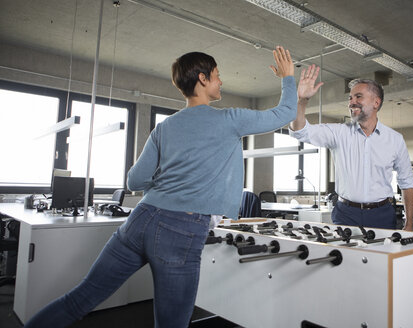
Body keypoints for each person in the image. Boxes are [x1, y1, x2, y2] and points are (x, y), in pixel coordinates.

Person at [25, 46, 297, 328]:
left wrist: (167, 182)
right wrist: (288, 77)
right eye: (217, 76)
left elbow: (134, 181)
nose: (221, 82)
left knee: (79, 300)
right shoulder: (228, 119)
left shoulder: (164, 128)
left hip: (139, 220)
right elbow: (286, 112)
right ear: (203, 79)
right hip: (182, 230)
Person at [289, 65, 413, 230]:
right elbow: (299, 132)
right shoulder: (339, 133)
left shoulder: (395, 140)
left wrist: (409, 223)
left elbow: (406, 182)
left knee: (382, 256)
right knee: (346, 256)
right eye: (350, 98)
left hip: (382, 215)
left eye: (358, 96)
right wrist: (302, 100)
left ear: (376, 102)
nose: (351, 102)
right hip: (346, 214)